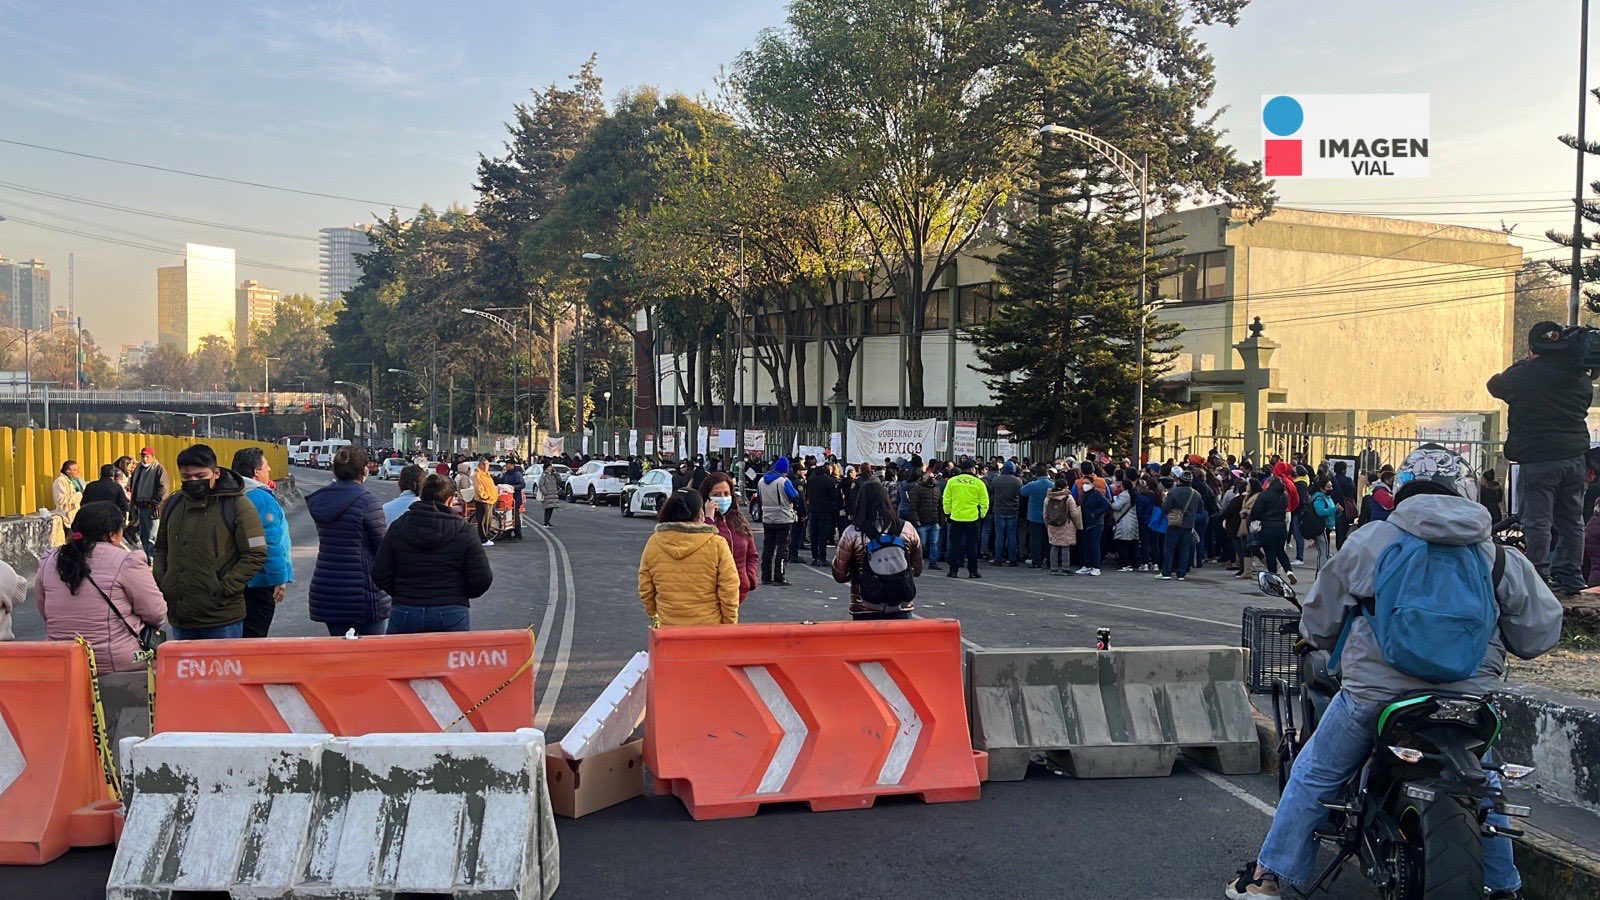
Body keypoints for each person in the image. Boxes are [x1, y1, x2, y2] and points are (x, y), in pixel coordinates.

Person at [1226, 480, 1562, 900]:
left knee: (1314, 774)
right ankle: (1502, 886)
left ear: (1403, 501)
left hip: (1377, 696)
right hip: (1468, 701)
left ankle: (1267, 877)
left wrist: (1321, 638)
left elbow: (1322, 616)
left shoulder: (1374, 540)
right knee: (1483, 785)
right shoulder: (1496, 555)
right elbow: (1538, 634)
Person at [1487, 321, 1596, 598]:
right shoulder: (1579, 375)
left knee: (1538, 521)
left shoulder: (1526, 374)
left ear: (1534, 348)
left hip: (1539, 459)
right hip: (1574, 458)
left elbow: (1495, 385)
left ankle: (1537, 575)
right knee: (1572, 520)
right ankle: (1570, 577)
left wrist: (1527, 363)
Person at [152, 444, 266, 640]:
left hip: (222, 618)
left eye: (200, 476)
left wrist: (225, 588)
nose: (194, 481)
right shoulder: (173, 504)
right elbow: (161, 548)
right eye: (187, 477)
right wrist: (164, 581)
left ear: (216, 473)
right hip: (181, 616)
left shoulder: (237, 505)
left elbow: (256, 554)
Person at [36, 502, 167, 672]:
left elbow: (44, 610)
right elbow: (156, 613)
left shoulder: (49, 560)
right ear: (113, 535)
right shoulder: (126, 562)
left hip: (62, 660)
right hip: (118, 663)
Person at [374, 474, 493, 634]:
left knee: (402, 658)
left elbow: (380, 572)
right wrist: (459, 594)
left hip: (406, 607)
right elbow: (482, 578)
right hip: (451, 608)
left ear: (421, 496)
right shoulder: (465, 531)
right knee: (449, 658)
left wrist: (401, 592)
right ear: (450, 501)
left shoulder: (398, 527)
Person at [306, 447, 389, 636]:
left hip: (327, 589)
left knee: (339, 655)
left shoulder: (321, 500)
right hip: (362, 592)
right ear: (365, 471)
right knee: (371, 657)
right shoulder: (368, 502)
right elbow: (382, 550)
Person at [638, 489, 740, 627]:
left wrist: (655, 616)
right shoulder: (717, 544)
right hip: (708, 628)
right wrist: (729, 624)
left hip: (668, 629)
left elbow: (646, 588)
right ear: (700, 514)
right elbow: (730, 589)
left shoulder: (654, 542)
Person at [832, 478, 923, 619]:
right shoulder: (907, 528)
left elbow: (840, 575)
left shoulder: (852, 532)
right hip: (901, 603)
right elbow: (917, 569)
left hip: (865, 605)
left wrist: (860, 574)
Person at [230, 447, 293, 639]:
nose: (270, 469)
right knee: (255, 635)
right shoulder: (259, 497)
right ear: (256, 471)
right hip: (260, 580)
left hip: (237, 578)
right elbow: (270, 542)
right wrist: (278, 578)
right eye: (266, 466)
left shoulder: (232, 493)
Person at [701, 472, 759, 604]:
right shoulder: (699, 520)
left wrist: (749, 578)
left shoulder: (738, 519)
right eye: (717, 495)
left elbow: (752, 555)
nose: (723, 498)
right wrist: (709, 519)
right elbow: (701, 548)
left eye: (726, 494)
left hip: (737, 591)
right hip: (709, 594)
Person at [942, 457, 988, 579]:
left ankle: (953, 570)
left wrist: (948, 512)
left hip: (956, 517)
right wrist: (982, 515)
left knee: (955, 545)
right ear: (972, 469)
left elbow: (946, 499)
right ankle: (973, 571)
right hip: (972, 518)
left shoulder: (952, 481)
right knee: (972, 546)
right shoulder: (979, 483)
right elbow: (984, 501)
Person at [757, 456, 800, 587]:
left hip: (767, 518)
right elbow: (795, 497)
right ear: (785, 470)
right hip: (783, 517)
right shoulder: (783, 481)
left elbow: (759, 499)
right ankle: (779, 576)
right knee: (782, 548)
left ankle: (765, 576)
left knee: (768, 548)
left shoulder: (761, 481)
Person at [1249, 475, 1293, 582]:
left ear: (1269, 483)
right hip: (1281, 526)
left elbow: (1256, 511)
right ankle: (1289, 571)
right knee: (1280, 551)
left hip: (1268, 526)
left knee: (1270, 552)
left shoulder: (1264, 495)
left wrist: (1254, 519)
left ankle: (1274, 576)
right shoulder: (1284, 495)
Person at [129, 447, 171, 557]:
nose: (145, 459)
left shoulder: (158, 469)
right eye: (143, 456)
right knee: (143, 534)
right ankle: (147, 556)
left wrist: (155, 503)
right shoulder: (139, 468)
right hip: (140, 507)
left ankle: (152, 559)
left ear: (153, 457)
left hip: (152, 508)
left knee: (153, 536)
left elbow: (163, 488)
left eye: (147, 456)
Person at [1160, 471, 1201, 581]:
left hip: (1175, 523)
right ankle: (1181, 574)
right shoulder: (1196, 494)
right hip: (1188, 524)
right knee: (1184, 549)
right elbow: (1200, 509)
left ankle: (1166, 572)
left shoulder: (1173, 492)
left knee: (1169, 548)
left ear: (1179, 480)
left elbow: (1165, 508)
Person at [1043, 476, 1083, 576]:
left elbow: (1044, 513)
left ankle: (1054, 568)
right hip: (1066, 524)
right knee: (1065, 546)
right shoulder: (1068, 497)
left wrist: (1047, 524)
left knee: (1054, 545)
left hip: (1052, 524)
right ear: (1065, 486)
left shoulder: (1048, 497)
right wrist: (1078, 526)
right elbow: (1074, 513)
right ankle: (1065, 568)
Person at [988, 461, 1024, 566]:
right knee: (1012, 535)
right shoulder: (1018, 481)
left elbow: (991, 492)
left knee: (999, 535)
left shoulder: (996, 480)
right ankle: (1012, 559)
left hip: (999, 510)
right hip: (1012, 510)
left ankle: (998, 558)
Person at [805, 461, 840, 566]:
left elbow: (808, 494)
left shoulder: (810, 479)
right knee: (823, 536)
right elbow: (833, 496)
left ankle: (814, 557)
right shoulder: (829, 481)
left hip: (813, 510)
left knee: (814, 535)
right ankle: (822, 558)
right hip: (825, 511)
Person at [907, 470, 944, 571]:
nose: (931, 479)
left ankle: (933, 563)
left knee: (934, 543)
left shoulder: (937, 489)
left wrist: (941, 521)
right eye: (929, 477)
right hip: (922, 522)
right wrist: (916, 520)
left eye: (932, 477)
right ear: (923, 478)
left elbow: (940, 506)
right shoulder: (917, 489)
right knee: (921, 544)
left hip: (934, 521)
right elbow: (913, 506)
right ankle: (919, 562)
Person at [1019, 466, 1053, 569]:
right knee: (1048, 540)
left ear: (1036, 474)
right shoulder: (1052, 484)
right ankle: (1049, 560)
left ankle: (1036, 561)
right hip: (1049, 516)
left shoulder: (1032, 485)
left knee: (1035, 540)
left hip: (1034, 516)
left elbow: (1022, 492)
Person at [1076, 476, 1109, 576]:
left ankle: (1096, 567)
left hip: (1096, 523)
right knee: (1086, 545)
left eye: (1087, 483)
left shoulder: (1097, 494)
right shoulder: (1084, 494)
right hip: (1086, 523)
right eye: (1083, 483)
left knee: (1094, 545)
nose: (1084, 485)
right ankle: (1087, 565)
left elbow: (1107, 505)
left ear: (1092, 484)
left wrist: (1096, 513)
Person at [1308, 477, 1339, 575]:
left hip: (1327, 527)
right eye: (1328, 487)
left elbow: (1331, 511)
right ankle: (1321, 574)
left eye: (1331, 486)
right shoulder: (1319, 498)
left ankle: (1321, 573)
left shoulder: (1328, 497)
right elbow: (1320, 512)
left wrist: (1337, 511)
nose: (1330, 489)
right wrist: (1335, 510)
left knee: (1325, 551)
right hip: (1322, 528)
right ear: (1322, 488)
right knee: (1323, 552)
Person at [52, 460, 85, 542]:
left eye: (78, 469)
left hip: (79, 515)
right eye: (75, 470)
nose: (78, 472)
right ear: (68, 471)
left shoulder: (78, 481)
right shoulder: (60, 481)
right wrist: (80, 494)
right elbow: (60, 499)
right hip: (68, 516)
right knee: (72, 542)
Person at [1111, 479, 1140, 570]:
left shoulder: (1124, 495)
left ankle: (1125, 563)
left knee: (1123, 543)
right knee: (1131, 543)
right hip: (1132, 521)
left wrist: (1111, 502)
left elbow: (1116, 506)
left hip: (1124, 522)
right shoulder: (1133, 494)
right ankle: (1134, 562)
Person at [496, 460, 526, 541]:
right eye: (506, 465)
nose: (506, 466)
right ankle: (507, 533)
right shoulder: (507, 474)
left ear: (512, 465)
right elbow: (501, 481)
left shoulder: (517, 474)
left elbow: (522, 485)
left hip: (516, 498)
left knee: (515, 516)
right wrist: (495, 478)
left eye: (508, 465)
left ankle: (518, 534)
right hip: (507, 499)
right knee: (508, 516)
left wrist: (513, 487)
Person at [472, 457, 499, 546]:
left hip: (490, 500)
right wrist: (486, 497)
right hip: (483, 501)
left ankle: (485, 537)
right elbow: (479, 489)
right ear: (479, 464)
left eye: (487, 464)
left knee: (488, 520)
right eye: (484, 464)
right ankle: (483, 539)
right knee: (482, 520)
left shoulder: (486, 474)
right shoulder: (477, 475)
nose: (486, 466)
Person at [537, 462, 563, 526]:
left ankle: (548, 521)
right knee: (547, 508)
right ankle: (546, 521)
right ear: (546, 468)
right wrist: (545, 492)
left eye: (551, 467)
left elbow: (559, 480)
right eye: (549, 467)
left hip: (553, 494)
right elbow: (541, 485)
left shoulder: (553, 475)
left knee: (551, 508)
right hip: (547, 494)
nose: (551, 468)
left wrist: (556, 473)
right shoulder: (543, 475)